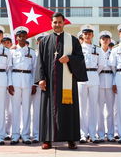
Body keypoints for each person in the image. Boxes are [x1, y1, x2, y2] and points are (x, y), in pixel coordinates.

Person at [35, 12, 87, 150]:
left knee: (68, 110)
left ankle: (70, 138)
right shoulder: (44, 41)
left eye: (59, 22)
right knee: (48, 110)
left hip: (67, 83)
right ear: (51, 24)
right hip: (50, 82)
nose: (57, 25)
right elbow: (39, 61)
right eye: (55, 22)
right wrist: (40, 78)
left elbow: (81, 59)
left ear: (64, 23)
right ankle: (47, 139)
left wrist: (70, 59)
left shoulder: (73, 40)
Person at [8, 26, 37, 145]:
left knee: (26, 109)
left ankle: (25, 135)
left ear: (26, 37)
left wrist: (34, 84)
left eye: (23, 36)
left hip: (27, 80)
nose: (21, 38)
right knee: (15, 110)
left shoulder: (32, 52)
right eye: (19, 36)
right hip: (15, 80)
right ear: (16, 37)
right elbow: (9, 68)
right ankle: (15, 135)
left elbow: (35, 69)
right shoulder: (11, 51)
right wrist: (9, 83)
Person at [78, 25, 104, 143]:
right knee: (82, 107)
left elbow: (101, 65)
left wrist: (92, 73)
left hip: (93, 76)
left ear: (93, 35)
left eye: (89, 33)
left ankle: (93, 134)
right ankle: (83, 134)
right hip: (81, 77)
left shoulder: (97, 49)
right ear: (82, 35)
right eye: (85, 33)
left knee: (93, 107)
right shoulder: (77, 48)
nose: (87, 35)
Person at [30, 32, 49, 143]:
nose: (41, 42)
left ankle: (47, 133)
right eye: (39, 41)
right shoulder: (33, 53)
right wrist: (34, 83)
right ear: (37, 42)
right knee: (36, 110)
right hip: (36, 85)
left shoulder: (51, 53)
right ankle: (36, 134)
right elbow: (32, 70)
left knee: (46, 111)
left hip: (47, 86)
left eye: (43, 40)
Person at [98, 30, 115, 142]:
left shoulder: (113, 52)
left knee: (110, 110)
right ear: (100, 40)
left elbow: (115, 69)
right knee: (99, 110)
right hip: (98, 81)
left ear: (110, 41)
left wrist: (114, 83)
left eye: (107, 39)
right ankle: (100, 133)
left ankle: (110, 133)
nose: (105, 40)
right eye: (103, 39)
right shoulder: (96, 51)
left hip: (110, 80)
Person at [1, 33, 13, 140]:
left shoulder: (13, 53)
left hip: (11, 85)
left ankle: (7, 131)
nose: (5, 44)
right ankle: (0, 131)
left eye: (7, 42)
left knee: (9, 110)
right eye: (3, 42)